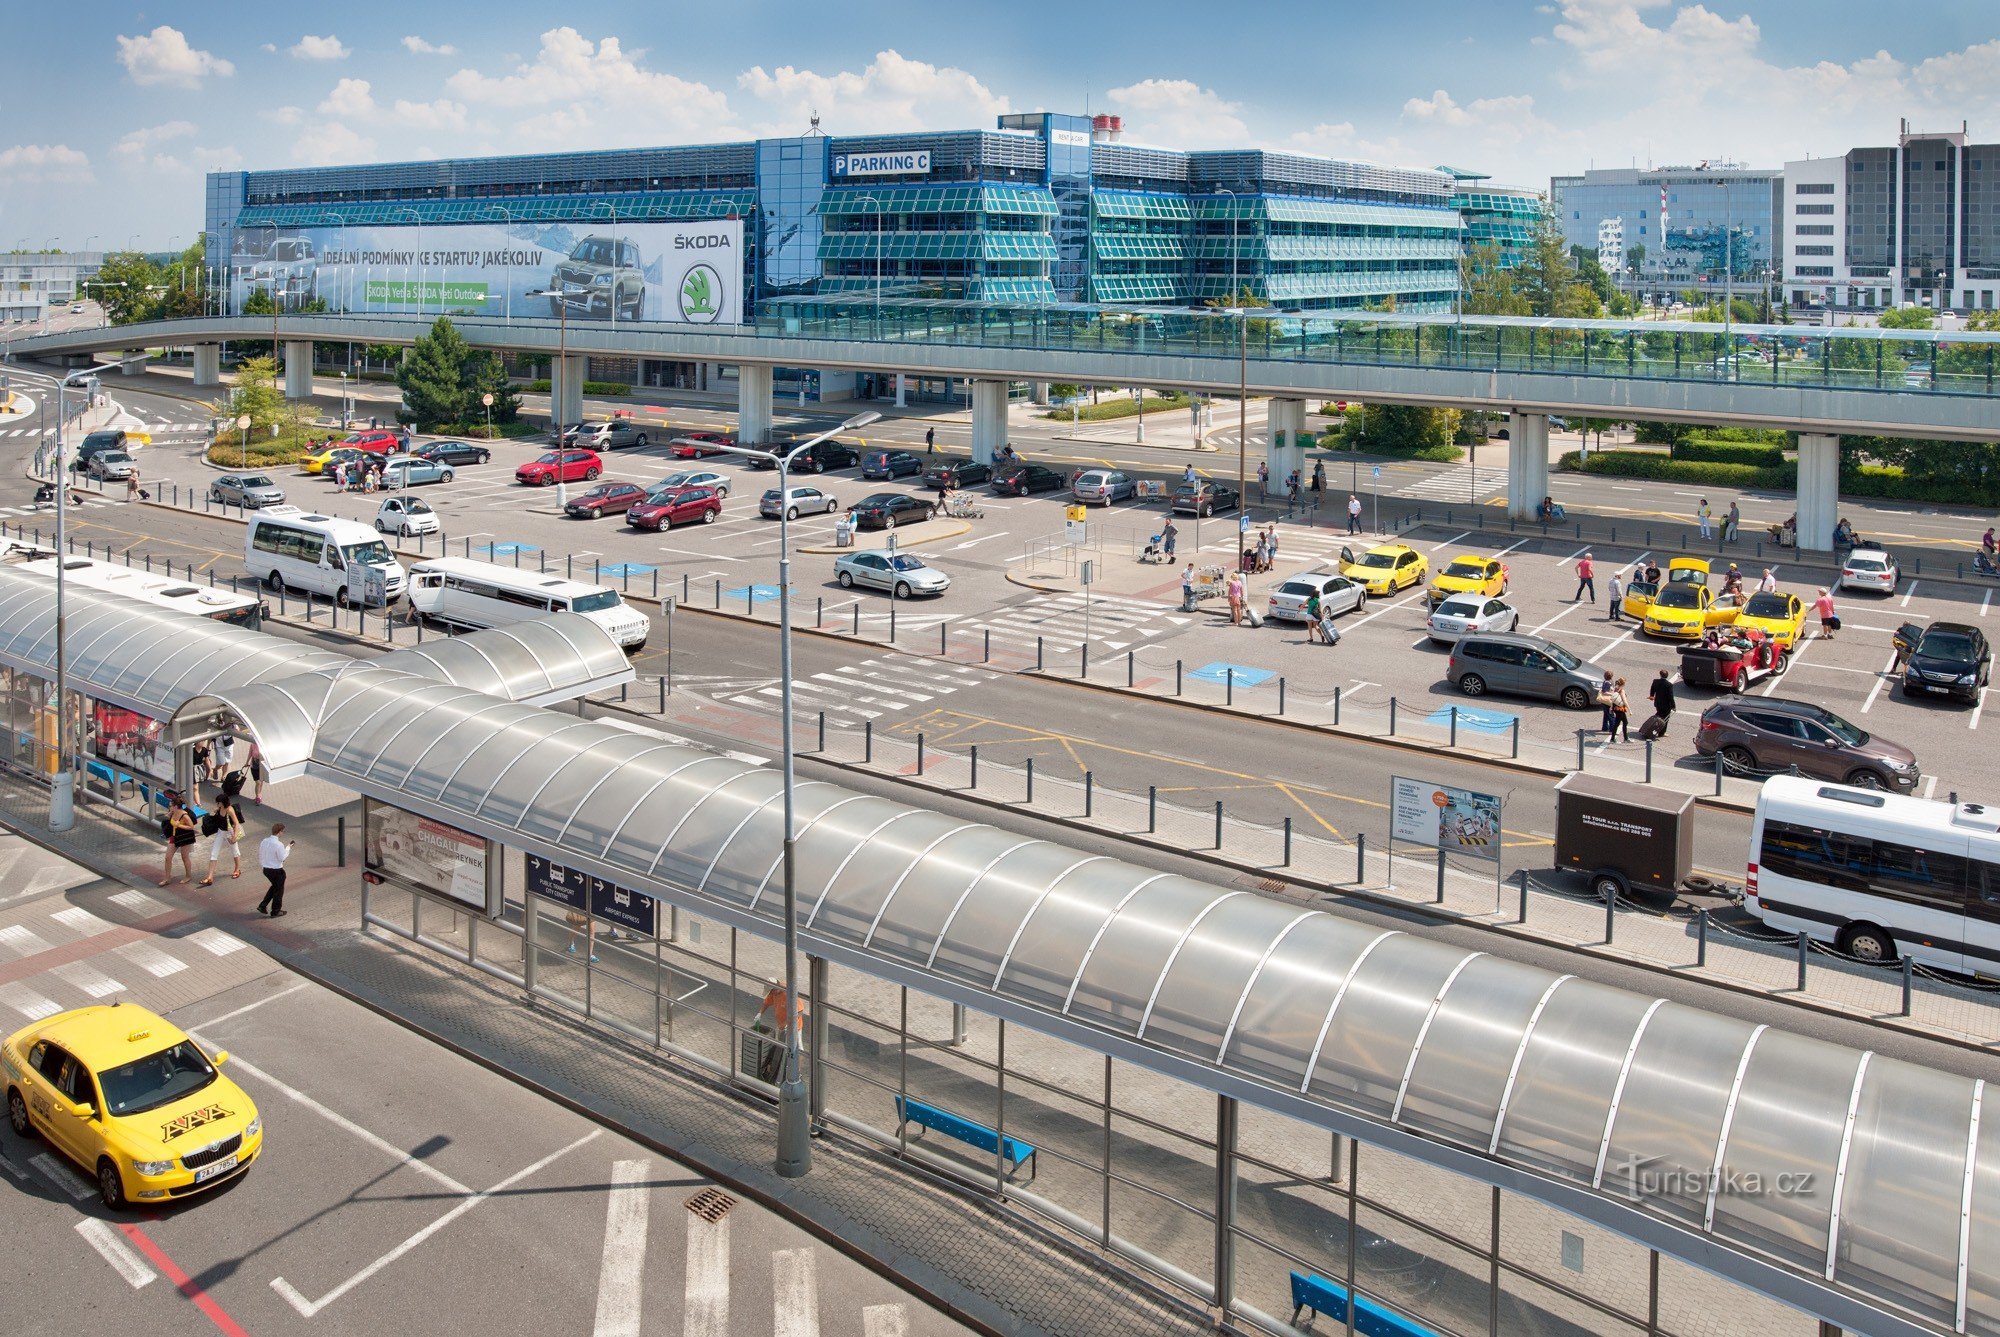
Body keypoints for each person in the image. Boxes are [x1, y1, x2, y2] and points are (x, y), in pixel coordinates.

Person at [198, 795, 244, 886]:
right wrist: (216, 811)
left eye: (218, 802)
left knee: (235, 851)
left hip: (229, 832)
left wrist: (234, 836)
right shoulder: (220, 808)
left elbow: (236, 823)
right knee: (214, 853)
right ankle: (210, 877)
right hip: (221, 832)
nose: (217, 804)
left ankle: (237, 869)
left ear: (222, 803)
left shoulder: (229, 810)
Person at [256, 823, 295, 916]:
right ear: (279, 832)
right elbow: (282, 858)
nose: (283, 833)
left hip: (266, 870)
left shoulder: (264, 841)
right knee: (279, 890)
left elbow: (261, 854)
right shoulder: (278, 844)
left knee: (275, 887)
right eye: (283, 831)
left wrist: (263, 865)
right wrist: (288, 848)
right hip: (277, 871)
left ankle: (263, 905)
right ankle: (275, 911)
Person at [160, 800, 198, 886]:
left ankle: (188, 876)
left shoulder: (184, 815)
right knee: (167, 857)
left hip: (184, 837)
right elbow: (168, 820)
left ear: (176, 806)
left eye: (171, 806)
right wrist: (168, 816)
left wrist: (179, 825)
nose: (169, 807)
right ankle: (167, 878)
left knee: (184, 857)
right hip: (174, 837)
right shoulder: (172, 812)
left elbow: (191, 827)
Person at [1608, 677, 1632, 742]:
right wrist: (1629, 710)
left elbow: (1613, 698)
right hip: (1620, 709)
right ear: (1623, 684)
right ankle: (1624, 739)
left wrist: (1611, 707)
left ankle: (1615, 738)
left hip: (1615, 708)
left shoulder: (1615, 688)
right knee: (1621, 723)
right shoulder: (1621, 690)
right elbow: (1624, 701)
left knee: (1620, 723)